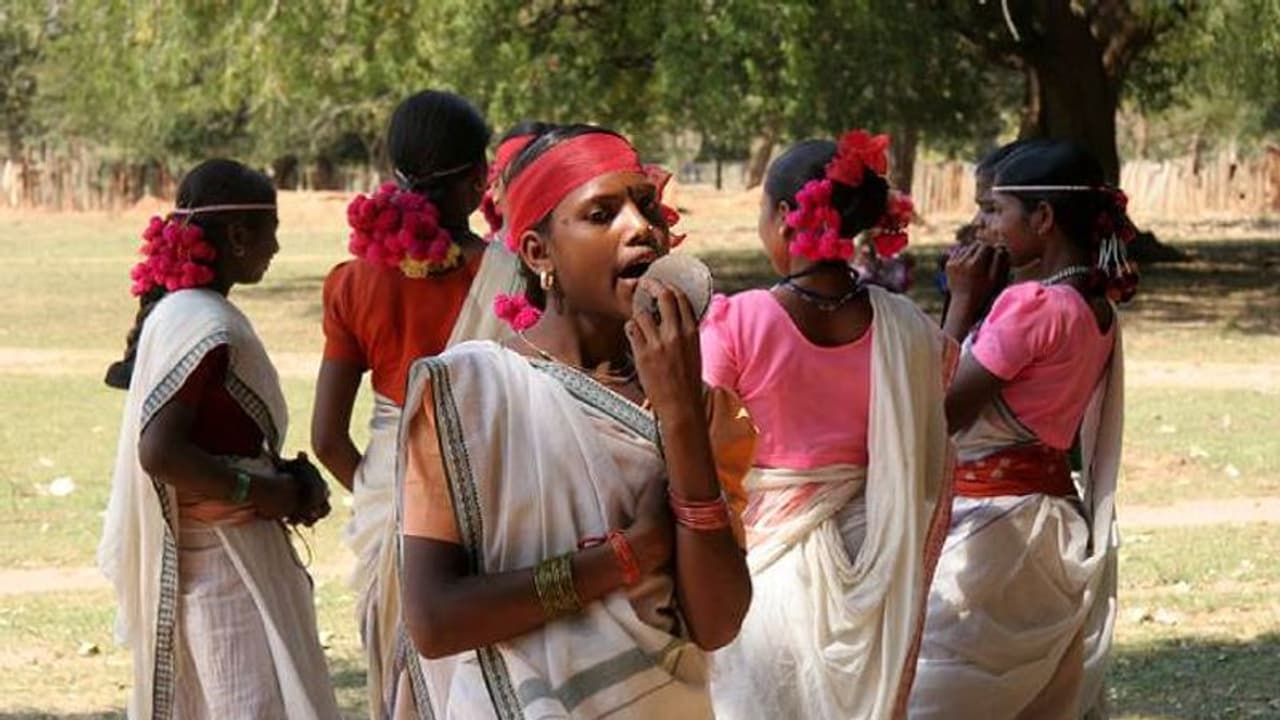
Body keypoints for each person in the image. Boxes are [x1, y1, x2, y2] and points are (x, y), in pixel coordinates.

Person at [394, 124, 754, 719]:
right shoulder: (471, 393)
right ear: (539, 255)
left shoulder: (703, 405)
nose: (640, 227)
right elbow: (435, 620)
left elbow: (716, 623)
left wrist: (683, 416)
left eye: (646, 206)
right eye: (601, 213)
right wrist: (622, 560)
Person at [702, 131, 957, 719]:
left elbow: (699, 433)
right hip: (873, 550)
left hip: (764, 566)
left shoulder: (739, 320)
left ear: (788, 217)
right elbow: (941, 419)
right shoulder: (908, 329)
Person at [309, 91, 532, 718]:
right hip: (495, 494)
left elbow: (327, 437)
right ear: (473, 182)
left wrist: (390, 492)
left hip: (391, 498)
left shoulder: (352, 283)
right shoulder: (516, 276)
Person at [100, 159, 340, 719]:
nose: (276, 246)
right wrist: (256, 492)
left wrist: (286, 481)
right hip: (221, 561)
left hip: (220, 551)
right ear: (237, 236)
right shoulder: (203, 324)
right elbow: (160, 450)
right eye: (270, 231)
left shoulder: (186, 313)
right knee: (248, 701)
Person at [911, 141, 1134, 719]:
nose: (982, 227)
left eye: (995, 211)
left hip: (991, 533)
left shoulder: (1031, 305)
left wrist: (961, 303)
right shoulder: (1095, 306)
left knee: (931, 696)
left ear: (1042, 218)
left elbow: (943, 413)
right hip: (1052, 524)